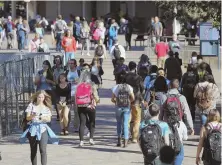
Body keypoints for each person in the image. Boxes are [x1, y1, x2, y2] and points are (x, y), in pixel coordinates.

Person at [19, 90, 58, 165]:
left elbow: (49, 119)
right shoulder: (31, 105)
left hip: (43, 129)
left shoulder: (46, 107)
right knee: (33, 150)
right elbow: (27, 118)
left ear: (44, 98)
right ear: (36, 97)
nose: (41, 99)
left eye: (42, 97)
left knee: (43, 150)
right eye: (39, 97)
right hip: (33, 129)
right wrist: (33, 115)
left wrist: (42, 118)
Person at [75, 67, 100, 147]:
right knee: (92, 122)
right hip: (90, 106)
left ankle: (81, 141)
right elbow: (96, 97)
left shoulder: (78, 86)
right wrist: (97, 101)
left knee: (82, 123)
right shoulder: (92, 85)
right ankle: (91, 139)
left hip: (80, 106)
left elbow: (75, 96)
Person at [111, 72, 134, 147]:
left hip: (118, 107)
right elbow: (133, 98)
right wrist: (129, 102)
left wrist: (116, 102)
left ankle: (119, 140)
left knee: (119, 123)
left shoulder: (116, 87)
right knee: (125, 123)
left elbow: (112, 99)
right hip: (126, 107)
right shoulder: (129, 87)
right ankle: (125, 142)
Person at [125, 61, 144, 143]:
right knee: (137, 119)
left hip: (126, 100)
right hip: (136, 99)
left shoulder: (125, 76)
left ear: (128, 67)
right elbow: (142, 88)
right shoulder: (138, 77)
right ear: (135, 68)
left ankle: (126, 134)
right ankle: (134, 137)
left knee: (127, 118)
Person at [66, 59, 80, 132]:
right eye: (69, 63)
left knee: (76, 111)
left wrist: (79, 81)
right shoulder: (66, 72)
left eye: (72, 63)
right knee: (67, 111)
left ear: (75, 64)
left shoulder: (78, 72)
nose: (70, 64)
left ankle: (76, 126)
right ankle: (66, 126)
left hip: (76, 93)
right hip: (68, 93)